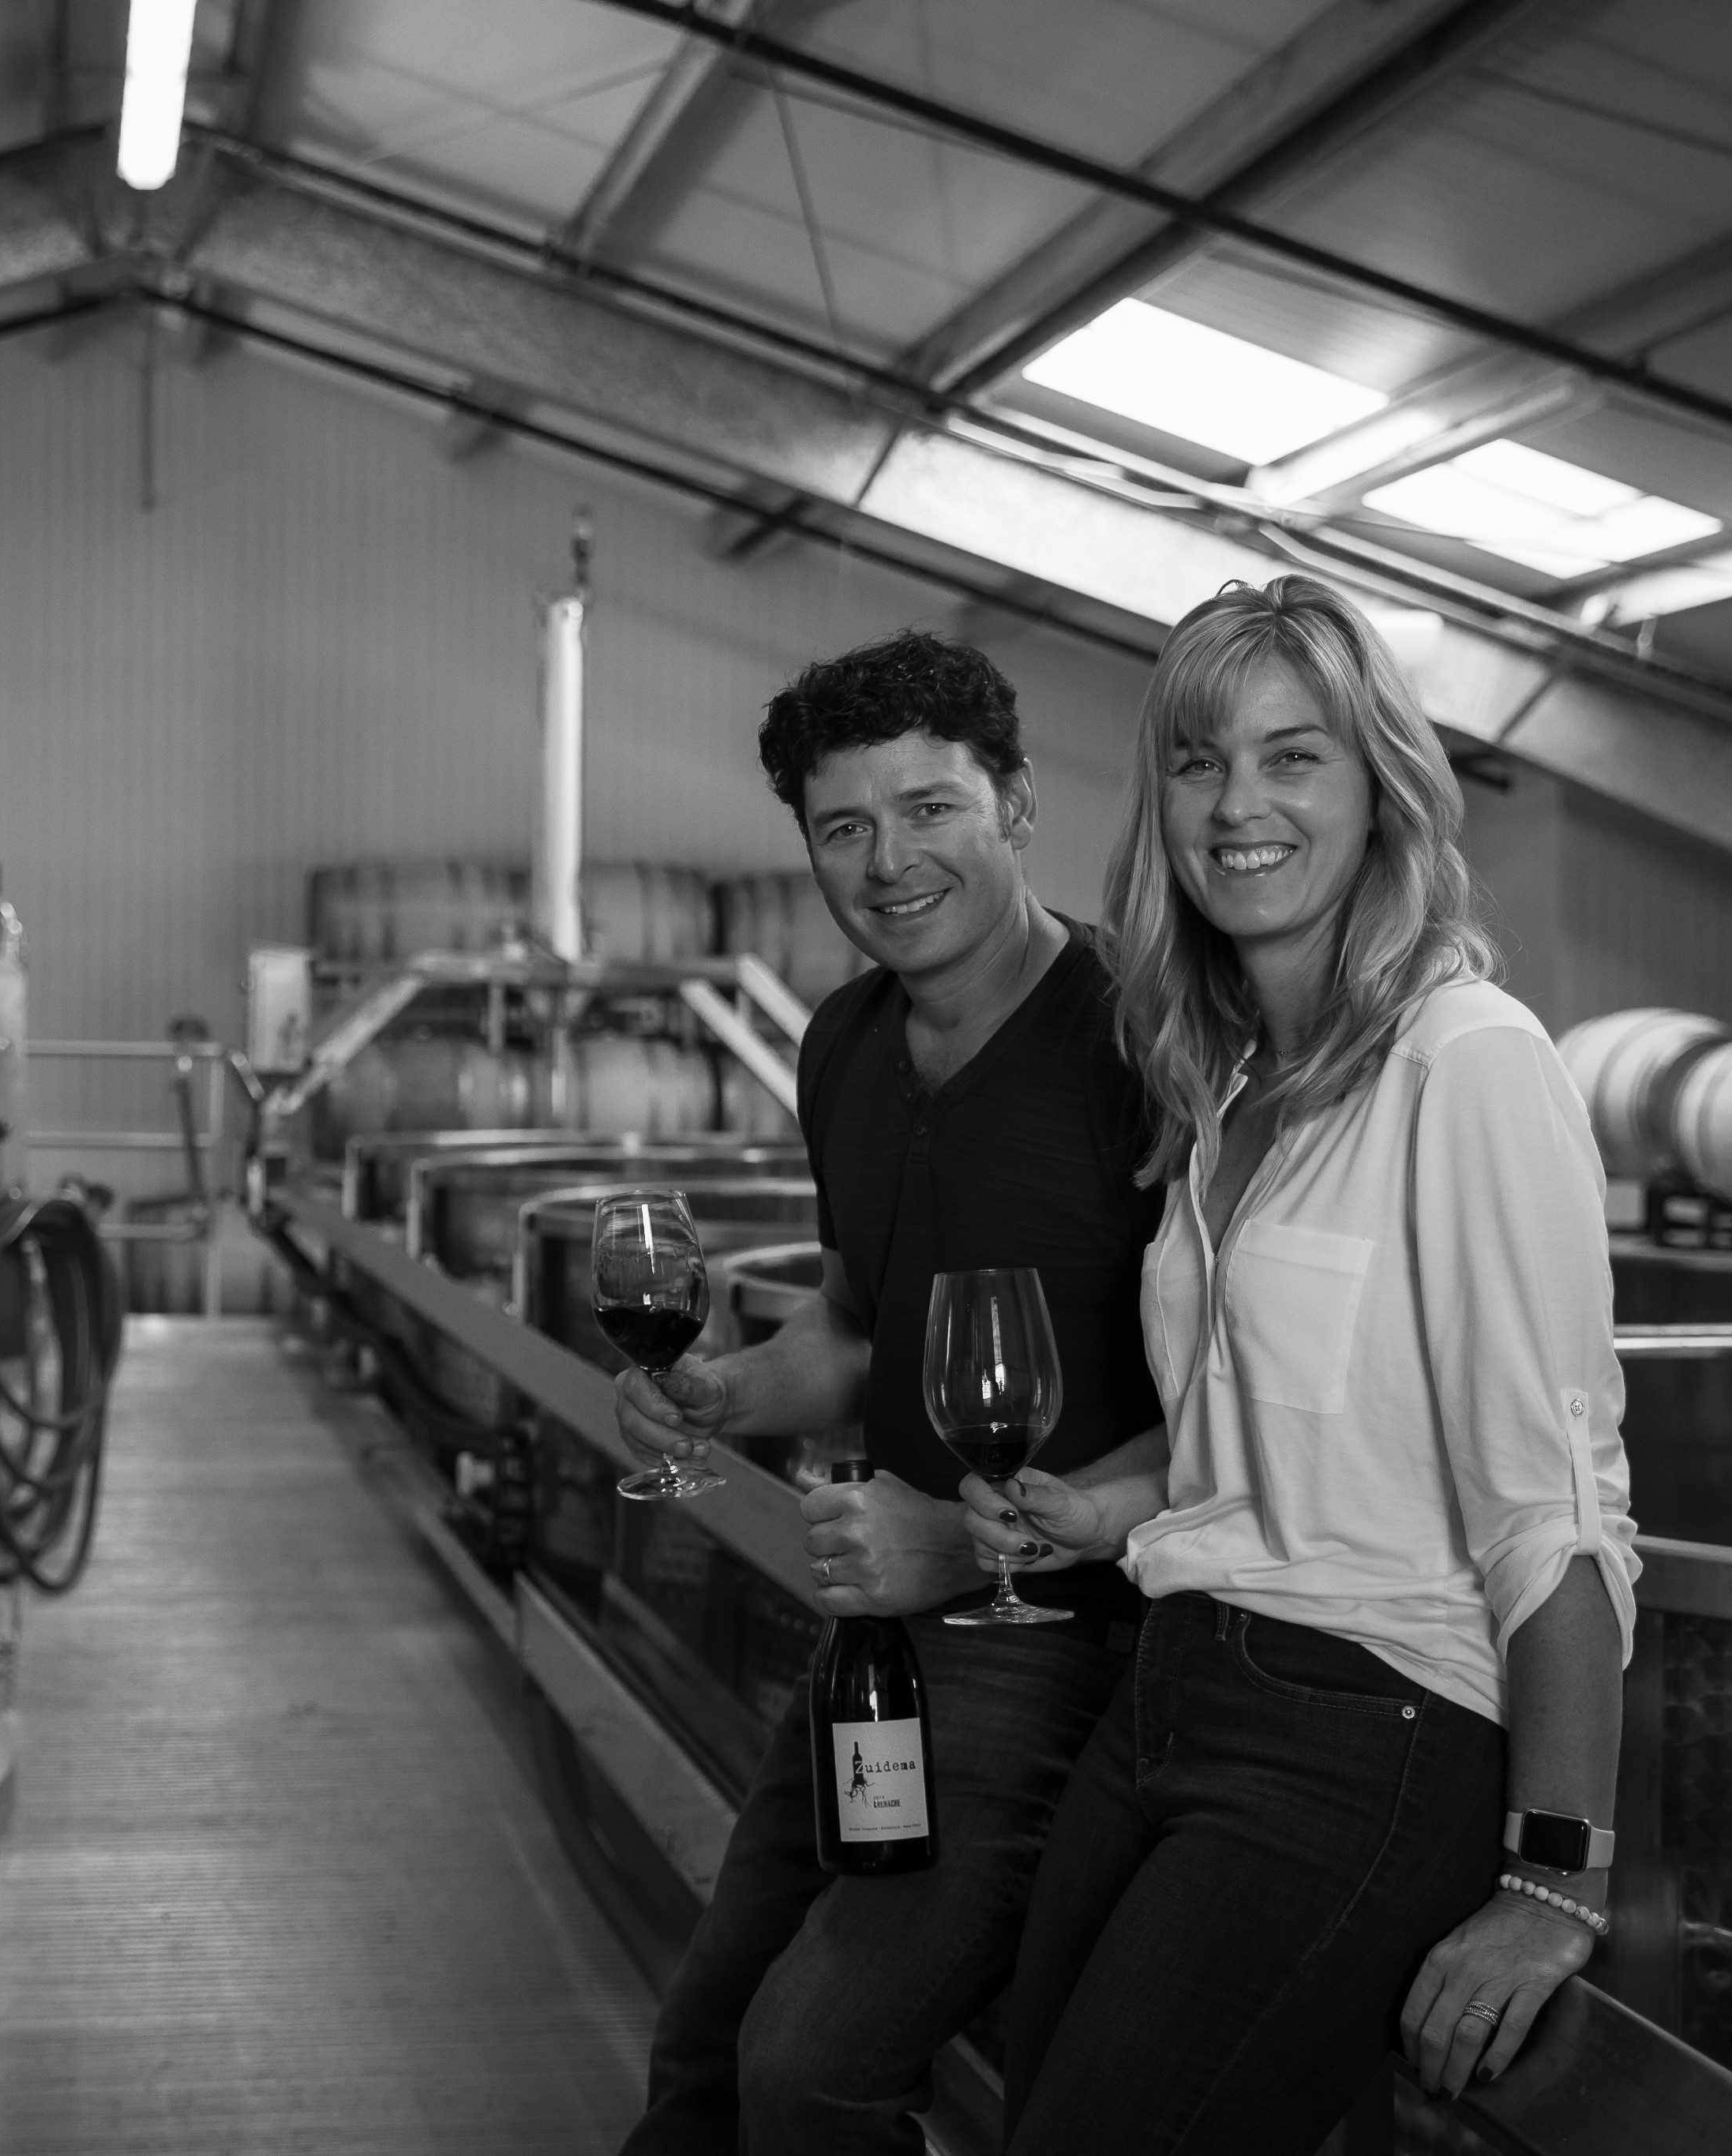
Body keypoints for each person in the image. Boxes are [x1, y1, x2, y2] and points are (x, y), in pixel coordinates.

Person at [974, 577, 1638, 2154]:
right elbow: (1268, 1442)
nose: (1237, 804)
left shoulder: (1463, 1059)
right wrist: (1105, 1509)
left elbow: (1553, 1501)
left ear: (1378, 789)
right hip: (1173, 1685)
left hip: (1368, 1724)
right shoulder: (1230, 1088)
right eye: (1198, 760)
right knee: (1020, 2100)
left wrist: (1553, 1878)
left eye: (1293, 757)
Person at [615, 628, 1164, 2155]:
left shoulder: (1145, 1041)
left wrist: (979, 1546)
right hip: (881, 1630)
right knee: (710, 2044)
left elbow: (1246, 1407)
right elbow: (863, 1320)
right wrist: (723, 1389)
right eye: (844, 827)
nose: (889, 861)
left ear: (1020, 805)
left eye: (931, 808)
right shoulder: (843, 1042)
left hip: (1071, 1647)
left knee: (814, 2069)